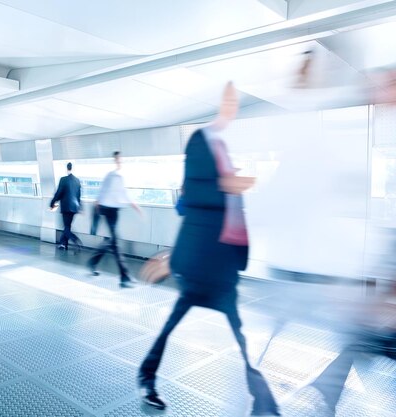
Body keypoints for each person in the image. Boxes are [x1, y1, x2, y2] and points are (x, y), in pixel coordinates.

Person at [138, 82, 280, 416]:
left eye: (236, 102)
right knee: (178, 323)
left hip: (221, 261)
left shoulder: (223, 150)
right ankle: (147, 377)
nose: (233, 107)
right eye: (229, 100)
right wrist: (231, 185)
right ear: (221, 104)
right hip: (200, 261)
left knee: (236, 330)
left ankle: (263, 401)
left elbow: (224, 203)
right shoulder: (202, 140)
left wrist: (235, 185)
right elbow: (196, 194)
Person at [88, 151, 141, 288]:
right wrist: (98, 204)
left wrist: (135, 205)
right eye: (118, 159)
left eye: (120, 159)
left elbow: (123, 193)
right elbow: (103, 191)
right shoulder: (112, 175)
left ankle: (93, 261)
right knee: (115, 243)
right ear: (115, 160)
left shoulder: (119, 176)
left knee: (112, 241)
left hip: (114, 210)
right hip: (108, 209)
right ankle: (125, 277)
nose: (119, 161)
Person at [50, 162, 83, 252]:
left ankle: (75, 240)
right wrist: (80, 207)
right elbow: (78, 195)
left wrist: (52, 203)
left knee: (66, 227)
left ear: (66, 168)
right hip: (74, 208)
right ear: (72, 168)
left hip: (66, 207)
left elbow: (59, 193)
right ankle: (63, 244)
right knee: (67, 226)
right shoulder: (77, 180)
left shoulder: (63, 179)